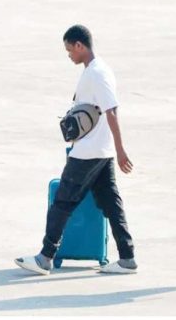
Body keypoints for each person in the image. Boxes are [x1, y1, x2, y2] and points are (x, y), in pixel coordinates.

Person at [15, 25, 137, 275]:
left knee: (62, 202)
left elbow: (112, 110)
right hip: (100, 152)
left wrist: (121, 149)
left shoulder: (97, 74)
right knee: (111, 204)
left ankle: (45, 258)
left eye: (70, 49)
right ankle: (127, 258)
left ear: (80, 46)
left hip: (89, 152)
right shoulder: (97, 70)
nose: (69, 54)